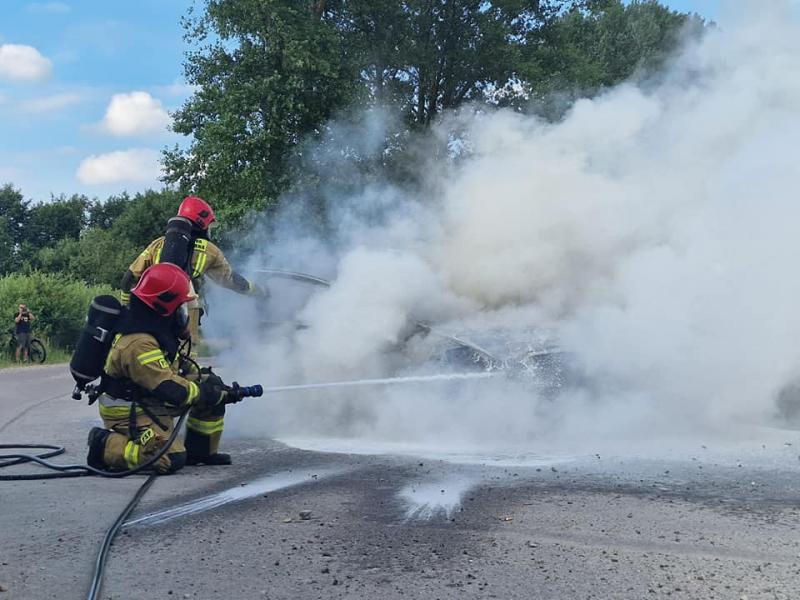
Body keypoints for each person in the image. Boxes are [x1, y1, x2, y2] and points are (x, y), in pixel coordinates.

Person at [87, 263, 234, 474]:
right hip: (130, 411)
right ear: (164, 308)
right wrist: (203, 392)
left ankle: (201, 452)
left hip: (150, 400)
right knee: (168, 459)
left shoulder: (155, 330)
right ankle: (104, 445)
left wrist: (215, 387)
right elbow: (170, 389)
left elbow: (177, 369)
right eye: (180, 308)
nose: (184, 315)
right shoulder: (138, 343)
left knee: (212, 385)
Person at [119, 196, 266, 339]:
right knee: (187, 351)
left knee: (146, 345)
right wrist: (258, 291)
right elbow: (231, 280)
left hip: (150, 307)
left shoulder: (158, 244)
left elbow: (128, 278)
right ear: (202, 222)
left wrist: (126, 307)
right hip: (185, 312)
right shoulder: (210, 250)